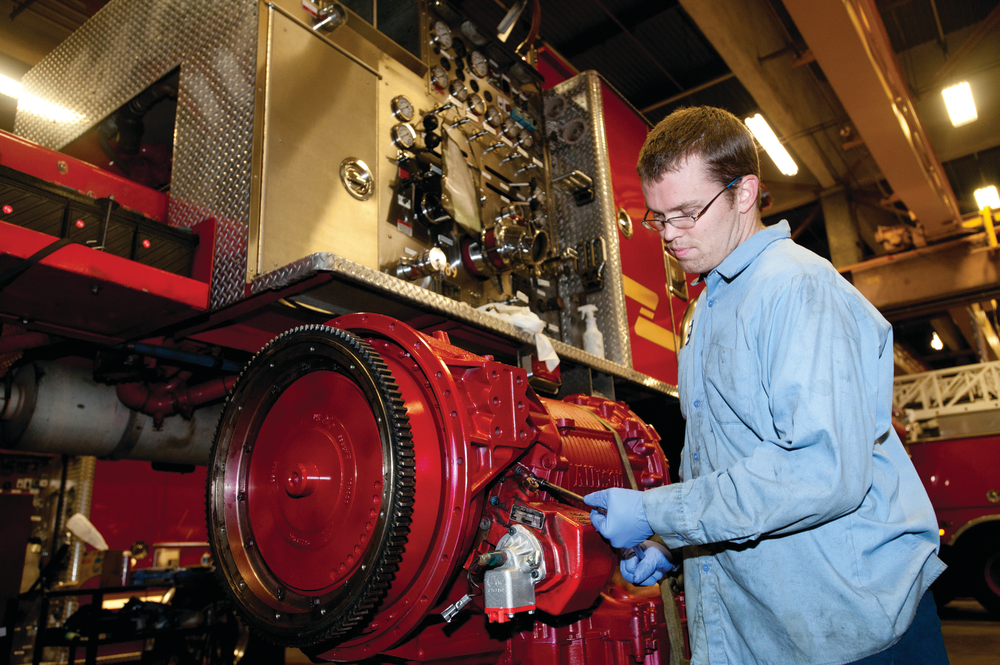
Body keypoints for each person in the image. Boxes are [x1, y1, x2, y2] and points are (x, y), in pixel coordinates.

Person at [585, 106, 948, 664]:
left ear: (744, 192)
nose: (670, 236)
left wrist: (662, 513)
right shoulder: (709, 307)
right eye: (658, 218)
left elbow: (820, 471)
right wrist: (675, 546)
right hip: (776, 630)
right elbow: (732, 468)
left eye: (686, 213)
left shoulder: (796, 290)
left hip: (853, 632)